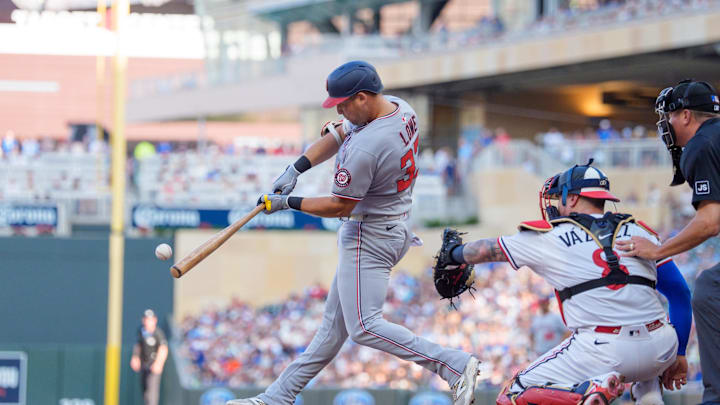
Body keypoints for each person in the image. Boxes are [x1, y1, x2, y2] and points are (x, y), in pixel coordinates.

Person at [227, 60, 480, 405]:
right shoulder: (398, 108)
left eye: (345, 103)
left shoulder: (368, 145)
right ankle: (277, 398)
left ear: (362, 97)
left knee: (363, 327)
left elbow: (338, 206)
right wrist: (295, 167)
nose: (341, 111)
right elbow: (340, 133)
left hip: (369, 234)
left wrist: (288, 202)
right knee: (333, 330)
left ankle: (452, 364)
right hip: (392, 224)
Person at [436, 160, 691, 405]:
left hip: (602, 352)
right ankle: (650, 396)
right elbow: (680, 293)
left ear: (573, 198)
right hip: (661, 348)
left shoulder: (551, 236)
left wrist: (453, 254)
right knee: (643, 357)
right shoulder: (641, 231)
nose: (557, 203)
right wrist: (678, 354)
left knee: (513, 394)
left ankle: (588, 391)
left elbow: (484, 250)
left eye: (560, 197)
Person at [618, 79, 720, 404]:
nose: (668, 126)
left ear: (686, 115)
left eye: (670, 117)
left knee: (709, 290)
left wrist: (658, 250)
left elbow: (710, 222)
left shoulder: (702, 145)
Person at [130, 309, 168, 405]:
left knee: (152, 391)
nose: (148, 322)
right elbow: (138, 345)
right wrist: (135, 357)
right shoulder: (141, 331)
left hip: (153, 364)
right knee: (145, 390)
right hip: (144, 365)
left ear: (155, 320)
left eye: (150, 319)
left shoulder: (158, 333)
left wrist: (159, 363)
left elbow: (163, 348)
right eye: (146, 319)